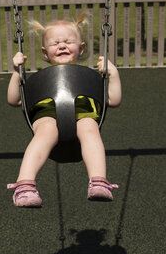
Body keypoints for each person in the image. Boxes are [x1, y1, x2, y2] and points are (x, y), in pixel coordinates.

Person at [7, 14, 122, 207]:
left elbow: (113, 100)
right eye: (55, 43)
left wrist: (114, 74)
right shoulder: (41, 79)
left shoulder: (90, 78)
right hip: (46, 114)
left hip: (84, 114)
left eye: (68, 41)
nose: (62, 45)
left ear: (81, 48)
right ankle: (24, 185)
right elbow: (14, 100)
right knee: (47, 130)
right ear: (45, 52)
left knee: (89, 127)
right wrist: (15, 73)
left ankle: (98, 181)